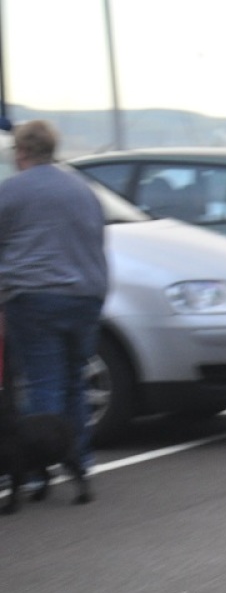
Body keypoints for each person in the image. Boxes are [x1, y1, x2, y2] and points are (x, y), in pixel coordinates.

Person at [0, 120, 109, 473]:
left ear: (22, 152)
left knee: (41, 382)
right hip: (86, 296)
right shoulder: (83, 190)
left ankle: (37, 468)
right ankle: (79, 459)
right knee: (74, 380)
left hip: (36, 296)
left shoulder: (13, 191)